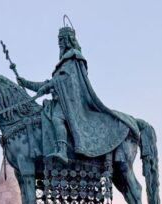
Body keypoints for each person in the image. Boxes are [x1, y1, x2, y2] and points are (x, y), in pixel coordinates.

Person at [16, 24, 136, 164]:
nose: (59, 44)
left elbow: (66, 80)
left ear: (68, 40)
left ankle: (62, 150)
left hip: (71, 102)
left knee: (57, 118)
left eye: (61, 40)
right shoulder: (64, 61)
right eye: (58, 41)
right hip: (61, 100)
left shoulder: (73, 57)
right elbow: (48, 83)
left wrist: (49, 85)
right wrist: (25, 83)